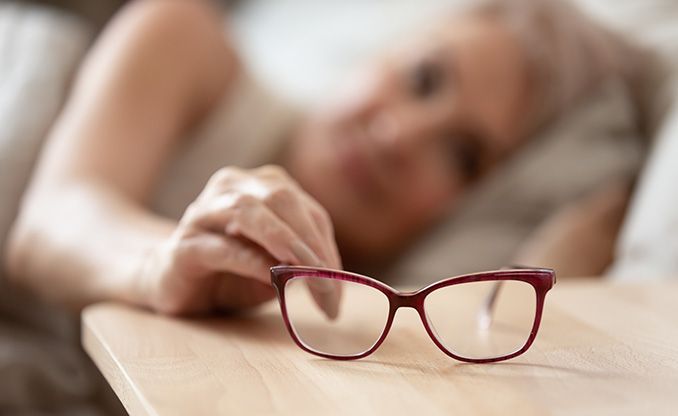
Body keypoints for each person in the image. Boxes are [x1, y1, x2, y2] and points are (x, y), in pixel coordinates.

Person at [5, 0, 645, 319]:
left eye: (462, 155)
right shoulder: (185, 38)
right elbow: (53, 223)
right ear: (381, 55)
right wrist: (164, 264)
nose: (397, 135)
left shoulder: (374, 309)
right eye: (422, 78)